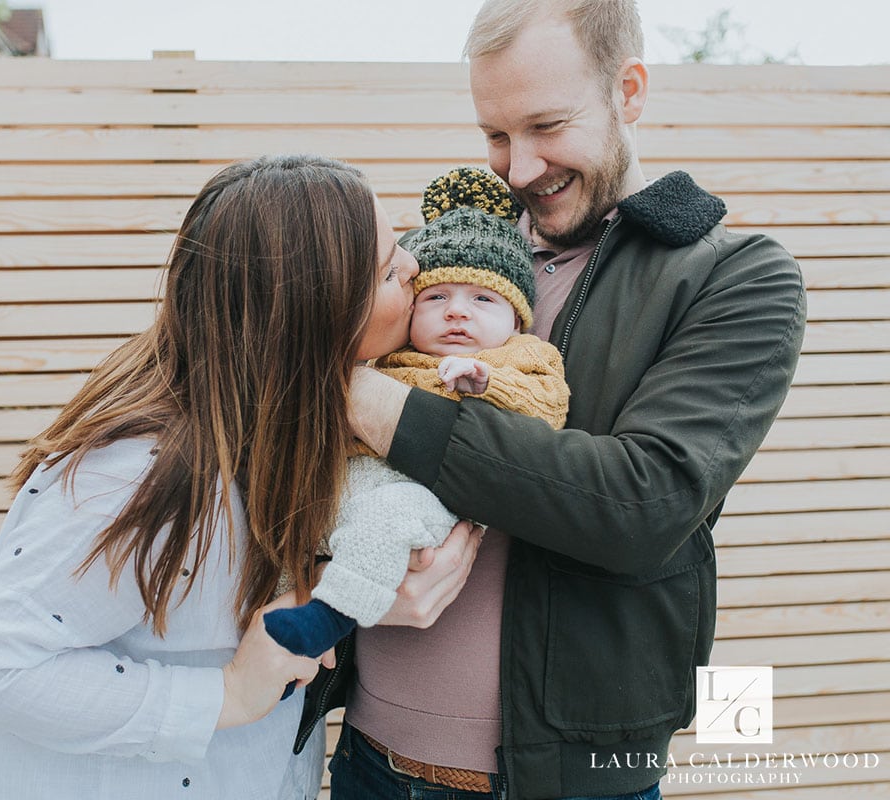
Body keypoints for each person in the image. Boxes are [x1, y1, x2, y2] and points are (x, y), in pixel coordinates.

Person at [312, 2, 808, 799]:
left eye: (547, 125)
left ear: (630, 90)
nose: (518, 167)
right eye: (496, 136)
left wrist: (355, 394)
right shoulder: (438, 267)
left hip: (571, 780)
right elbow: (315, 463)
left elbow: (640, 501)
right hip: (368, 756)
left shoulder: (734, 278)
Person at [0, 154, 481, 800]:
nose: (416, 269)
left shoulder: (287, 430)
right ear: (318, 313)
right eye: (390, 269)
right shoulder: (142, 471)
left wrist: (349, 595)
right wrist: (223, 694)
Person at [263, 166, 569, 661]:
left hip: (425, 493)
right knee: (290, 524)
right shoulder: (386, 355)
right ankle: (278, 642)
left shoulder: (519, 357)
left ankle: (329, 618)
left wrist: (487, 381)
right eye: (437, 296)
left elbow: (548, 408)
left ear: (516, 318)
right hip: (349, 479)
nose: (456, 312)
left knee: (387, 521)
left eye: (483, 299)